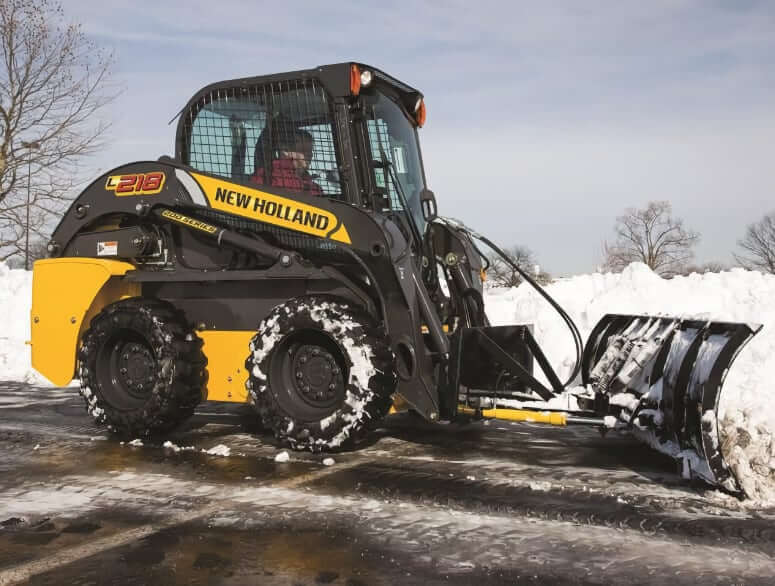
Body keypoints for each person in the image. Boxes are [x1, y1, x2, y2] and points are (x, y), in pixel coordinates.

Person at [251, 127, 322, 196]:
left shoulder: (314, 187)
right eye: (304, 150)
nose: (310, 155)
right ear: (284, 150)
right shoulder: (266, 178)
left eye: (310, 151)